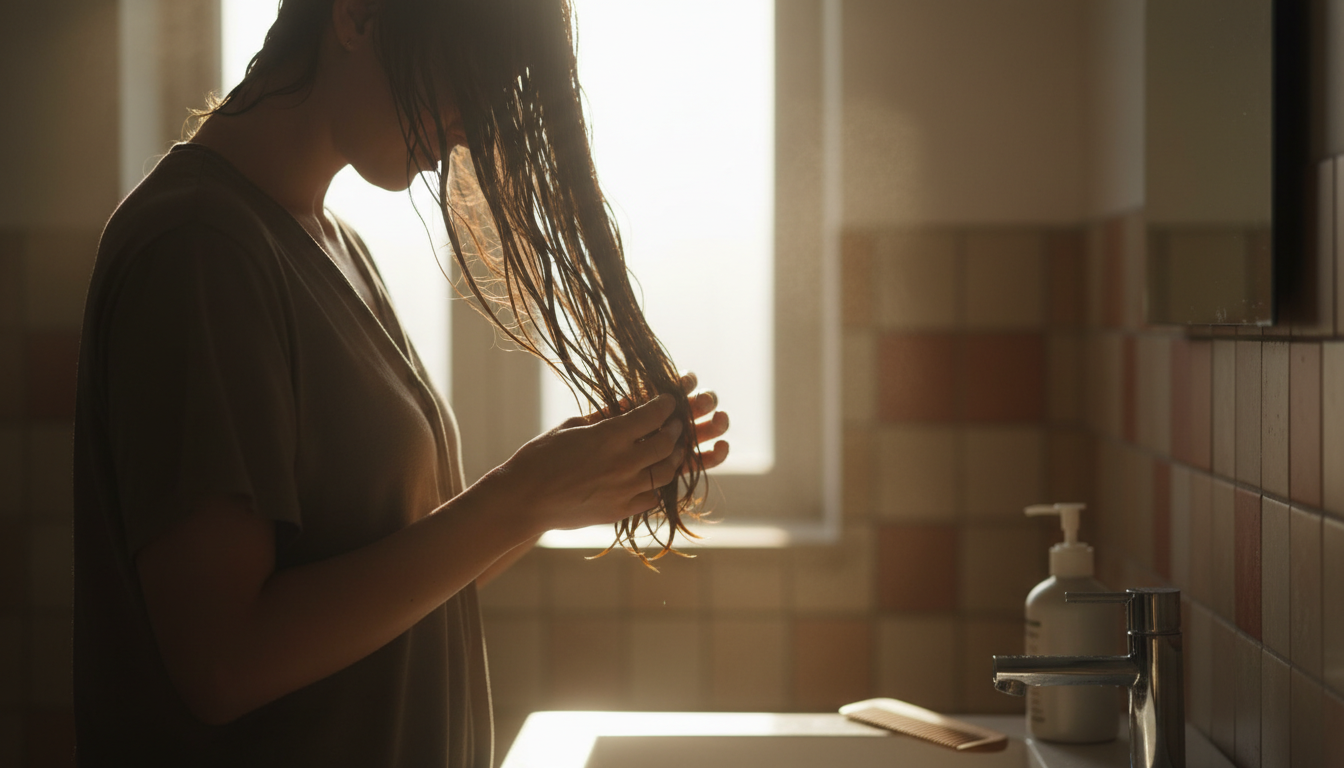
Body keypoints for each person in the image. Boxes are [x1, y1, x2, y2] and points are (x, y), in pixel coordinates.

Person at [72, 0, 730, 765]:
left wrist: (555, 493)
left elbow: (386, 581)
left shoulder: (330, 243)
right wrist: (519, 495)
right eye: (466, 76)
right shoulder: (197, 248)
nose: (470, 124)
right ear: (357, 15)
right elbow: (225, 662)